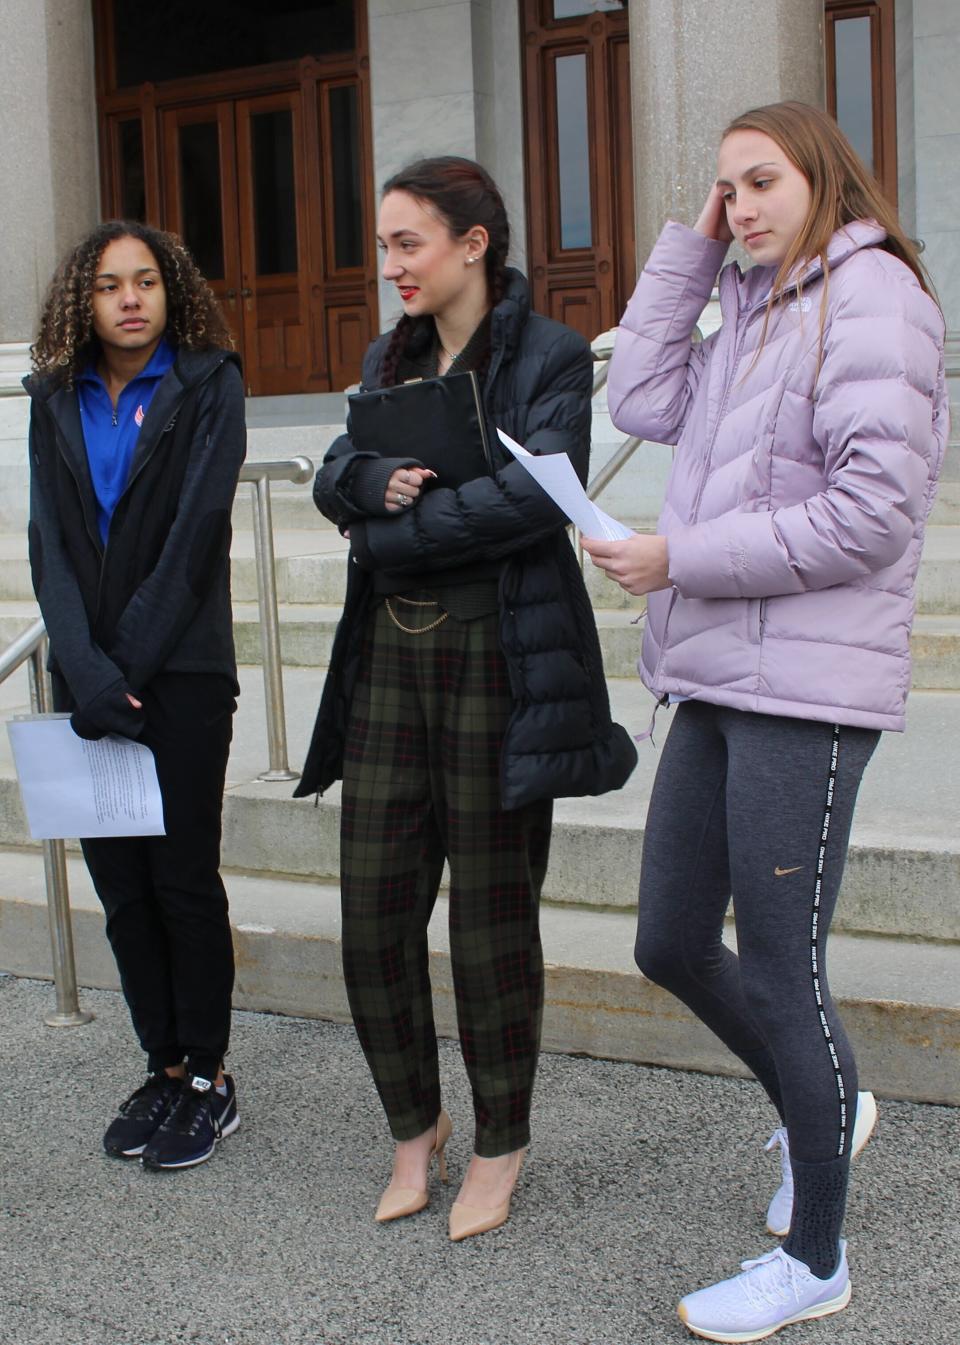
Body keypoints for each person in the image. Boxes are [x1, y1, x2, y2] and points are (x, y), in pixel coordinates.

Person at [583, 101, 946, 1341]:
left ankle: (817, 1256)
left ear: (824, 179)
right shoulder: (745, 303)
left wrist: (680, 552)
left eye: (761, 181)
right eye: (724, 186)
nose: (740, 204)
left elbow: (871, 514)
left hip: (809, 687)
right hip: (722, 676)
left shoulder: (873, 299)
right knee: (670, 940)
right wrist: (690, 249)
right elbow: (635, 396)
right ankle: (824, 1104)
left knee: (786, 975)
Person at [296, 156, 636, 1240]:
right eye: (385, 244)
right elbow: (334, 466)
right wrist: (360, 487)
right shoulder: (384, 354)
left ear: (473, 244)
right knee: (371, 915)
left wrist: (392, 530)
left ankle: (500, 1142)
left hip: (501, 658)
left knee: (491, 925)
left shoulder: (549, 354)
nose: (389, 263)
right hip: (390, 661)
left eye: (409, 242)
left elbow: (540, 492)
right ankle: (414, 1126)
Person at [25, 221, 246, 1170]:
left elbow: (196, 536)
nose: (129, 298)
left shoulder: (209, 384)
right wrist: (85, 666)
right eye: (110, 284)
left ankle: (208, 1077)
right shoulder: (52, 397)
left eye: (146, 282)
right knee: (120, 892)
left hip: (182, 675)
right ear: (85, 297)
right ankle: (160, 1063)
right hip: (87, 683)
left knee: (182, 883)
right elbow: (48, 545)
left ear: (172, 291)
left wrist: (129, 667)